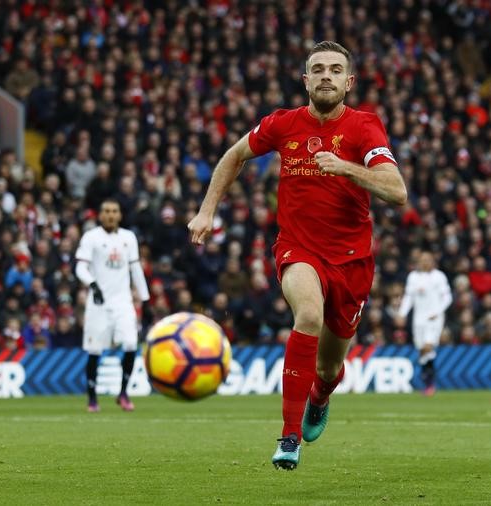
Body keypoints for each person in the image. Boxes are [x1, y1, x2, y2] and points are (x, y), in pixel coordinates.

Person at [187, 41, 407, 470]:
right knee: (307, 314)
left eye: (335, 70)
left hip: (352, 260)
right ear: (305, 80)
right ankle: (289, 437)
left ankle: (319, 397)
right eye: (318, 69)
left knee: (328, 370)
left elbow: (396, 191)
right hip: (298, 249)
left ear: (349, 82)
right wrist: (206, 209)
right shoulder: (283, 124)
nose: (327, 75)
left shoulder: (365, 127)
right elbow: (234, 156)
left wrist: (346, 168)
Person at [75, 199, 150, 412]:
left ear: (119, 215)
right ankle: (92, 399)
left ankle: (123, 393)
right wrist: (92, 284)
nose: (110, 215)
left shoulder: (129, 237)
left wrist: (145, 298)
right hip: (98, 304)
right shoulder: (91, 237)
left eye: (114, 211)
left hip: (123, 303)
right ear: (100, 215)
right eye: (106, 211)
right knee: (94, 350)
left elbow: (136, 269)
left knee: (130, 344)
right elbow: (80, 267)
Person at [397, 251, 453, 396]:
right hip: (418, 319)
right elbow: (409, 297)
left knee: (428, 347)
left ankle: (429, 382)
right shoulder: (413, 277)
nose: (425, 262)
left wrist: (438, 311)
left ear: (433, 261)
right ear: (418, 262)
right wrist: (402, 314)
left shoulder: (439, 276)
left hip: (434, 319)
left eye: (428, 259)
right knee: (422, 351)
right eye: (422, 260)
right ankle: (428, 382)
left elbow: (447, 297)